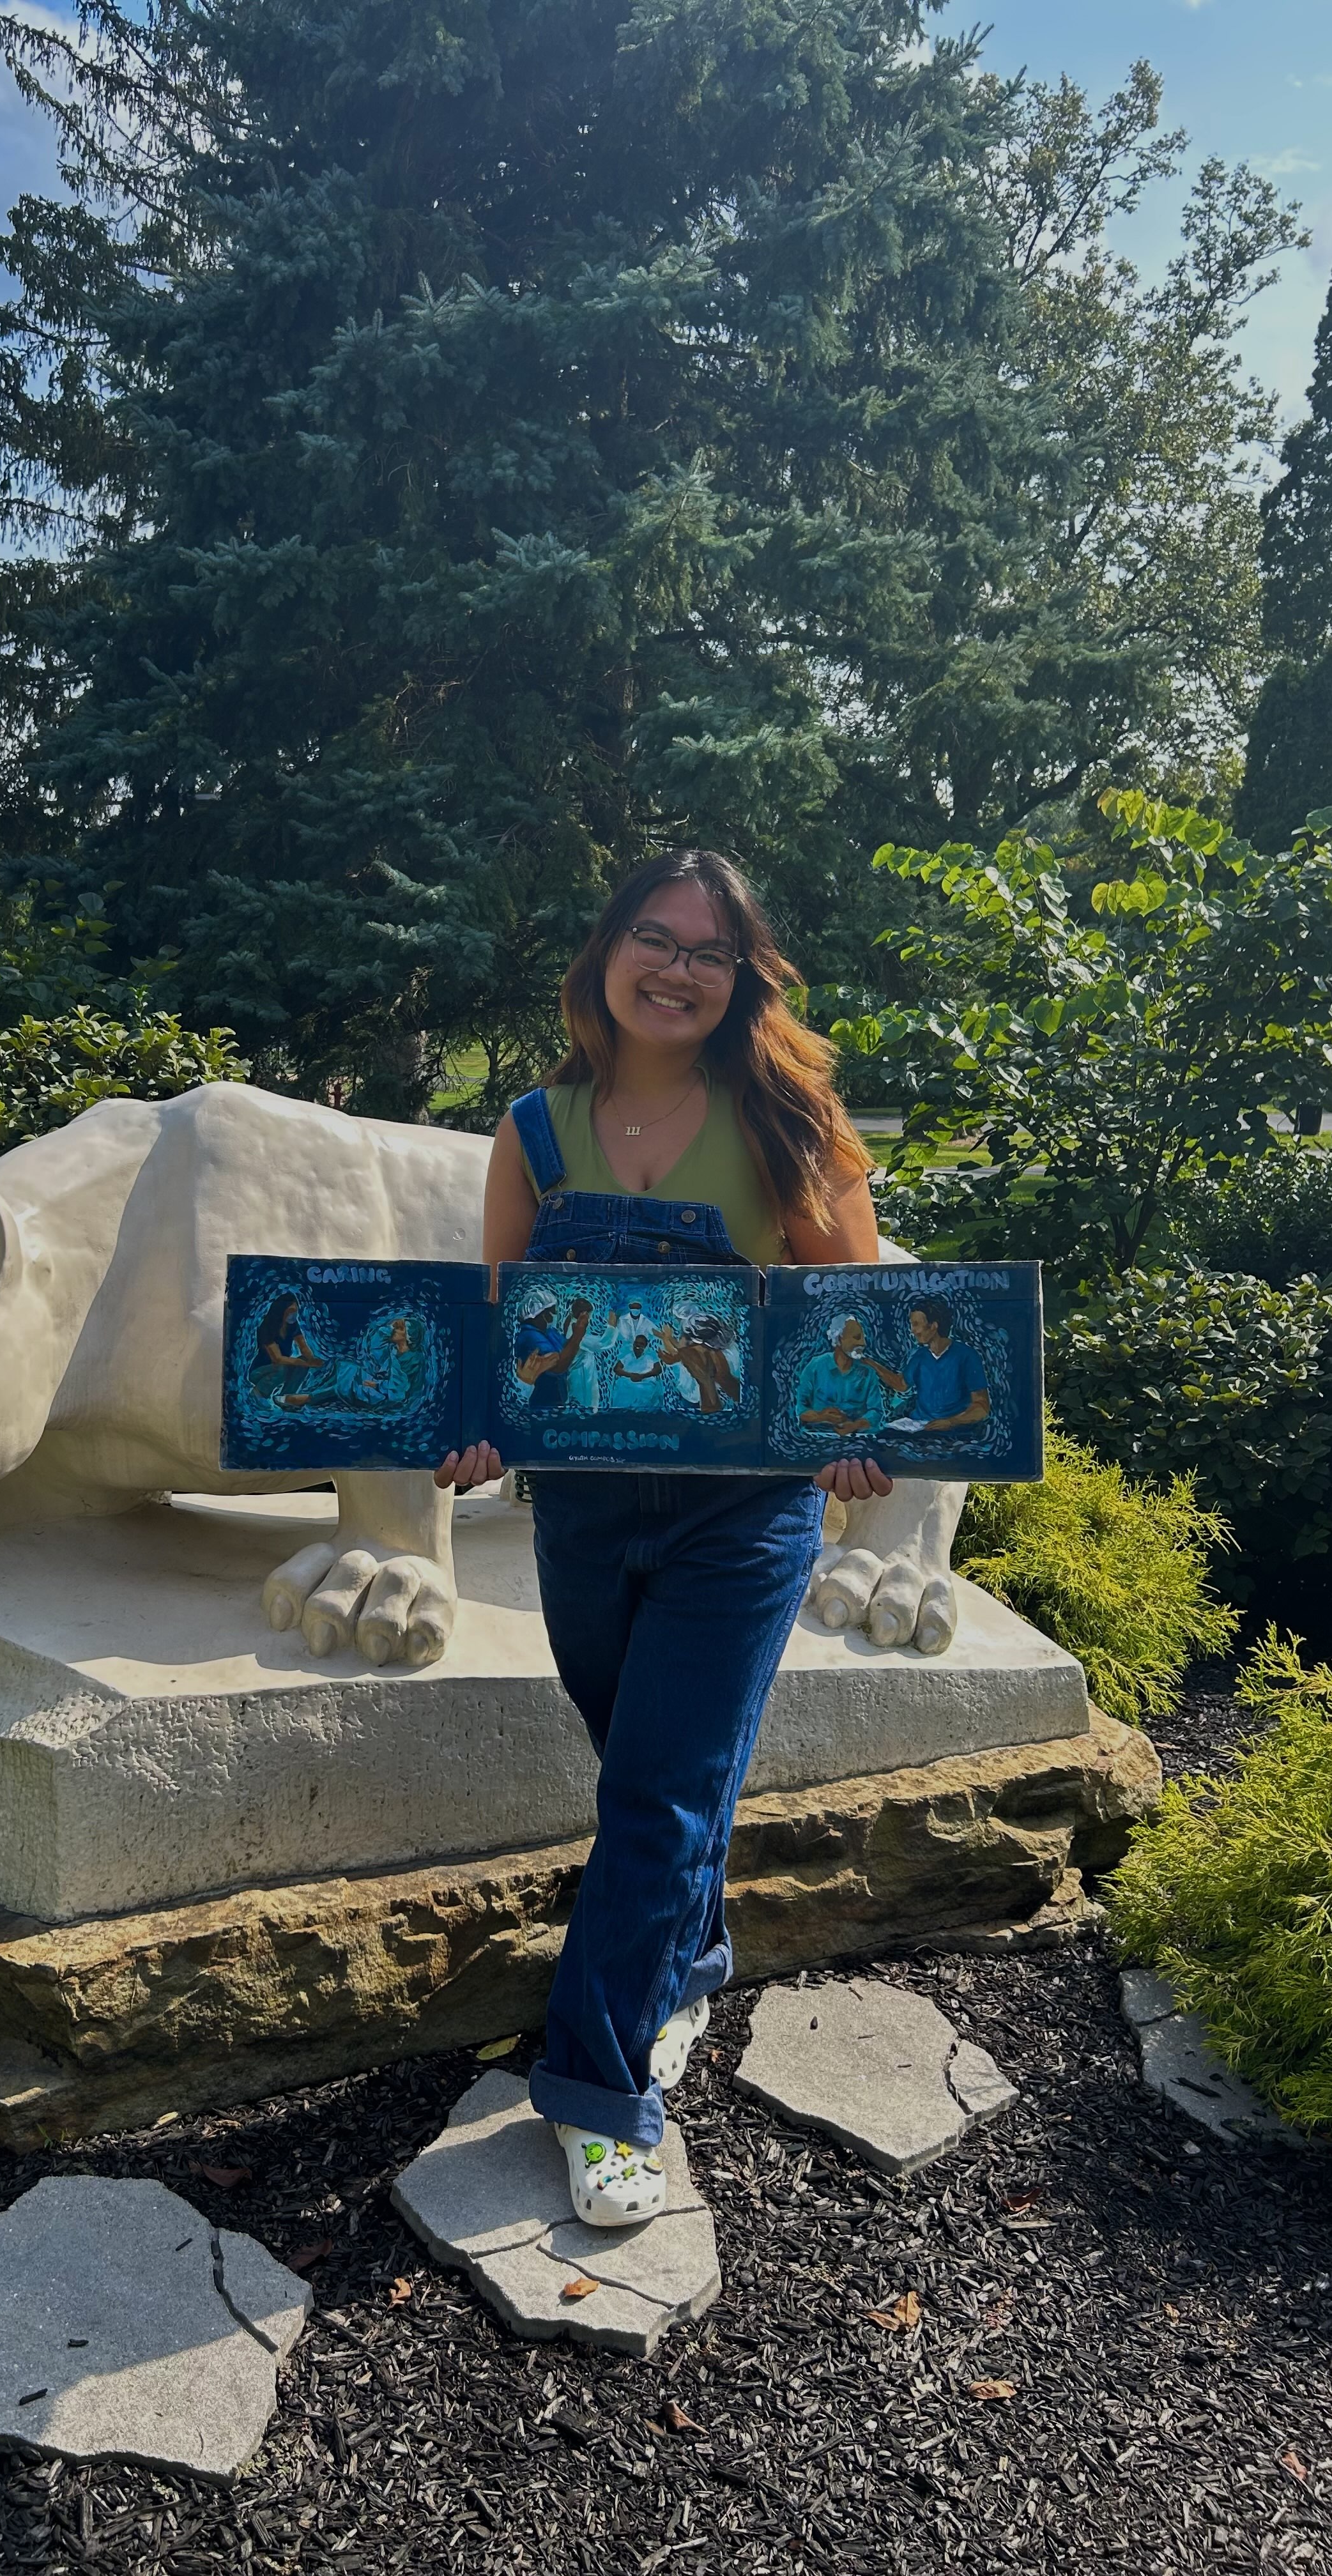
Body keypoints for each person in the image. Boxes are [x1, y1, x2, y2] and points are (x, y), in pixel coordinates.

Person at [434, 847, 889, 2229]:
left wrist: (854, 1425)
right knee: (646, 1770)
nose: (679, 968)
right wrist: (476, 1426)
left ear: (743, 978)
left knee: (656, 1800)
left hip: (741, 1518)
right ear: (608, 954)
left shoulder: (783, 1130)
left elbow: (850, 1322)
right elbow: (503, 1322)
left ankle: (597, 2088)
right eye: (657, 937)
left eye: (710, 950)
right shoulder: (536, 1128)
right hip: (577, 1508)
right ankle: (687, 1958)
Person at [795, 1315, 907, 1436]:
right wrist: (821, 1416)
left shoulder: (868, 1372)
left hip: (857, 1437)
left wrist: (855, 1425)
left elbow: (876, 1412)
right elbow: (801, 1410)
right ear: (839, 1339)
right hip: (817, 1436)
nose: (863, 1343)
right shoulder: (815, 1367)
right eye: (857, 1337)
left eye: (863, 1338)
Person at [894, 1294, 990, 1433]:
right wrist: (872, 1364)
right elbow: (901, 1384)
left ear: (933, 1326)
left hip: (954, 1432)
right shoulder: (920, 1356)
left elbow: (982, 1407)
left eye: (916, 1324)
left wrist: (952, 1422)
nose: (912, 1330)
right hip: (919, 1428)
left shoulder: (966, 1356)